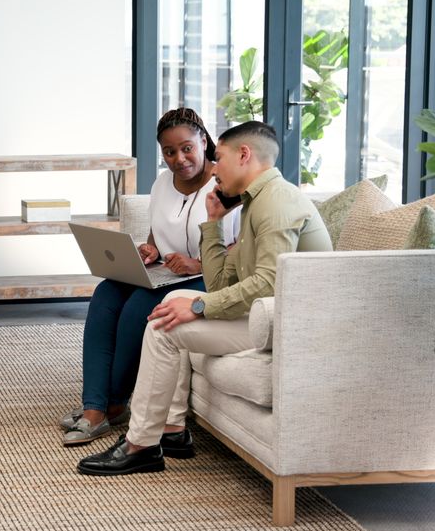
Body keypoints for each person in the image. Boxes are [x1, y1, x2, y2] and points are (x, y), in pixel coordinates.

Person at [76, 121, 333, 474]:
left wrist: (198, 305)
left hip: (288, 323)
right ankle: (172, 429)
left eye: (220, 157)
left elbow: (268, 284)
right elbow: (220, 280)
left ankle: (141, 443)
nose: (215, 167)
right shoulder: (255, 202)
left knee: (165, 326)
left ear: (244, 155)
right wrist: (212, 223)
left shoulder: (277, 203)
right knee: (170, 307)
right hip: (266, 314)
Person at [59, 108, 241, 446]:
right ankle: (94, 406)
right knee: (105, 295)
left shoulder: (225, 183)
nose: (179, 159)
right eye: (169, 152)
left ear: (204, 141)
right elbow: (159, 231)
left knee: (138, 307)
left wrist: (197, 263)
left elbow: (241, 247)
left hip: (208, 277)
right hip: (166, 274)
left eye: (187, 148)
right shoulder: (161, 183)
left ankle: (111, 406)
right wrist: (150, 250)